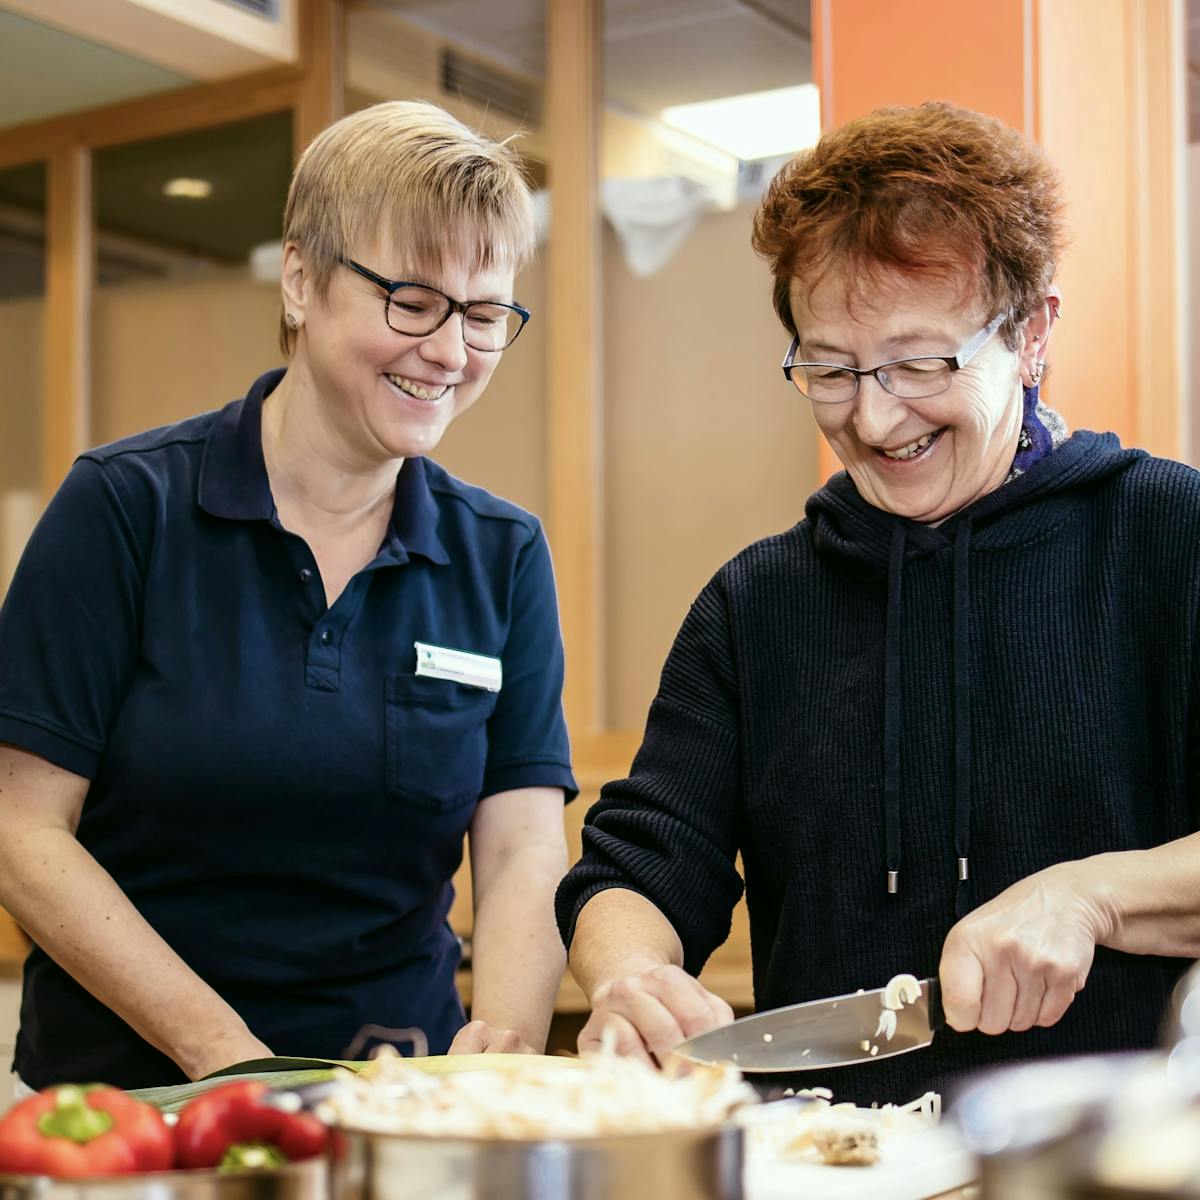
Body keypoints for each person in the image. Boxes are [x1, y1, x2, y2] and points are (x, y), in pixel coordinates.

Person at [556, 100, 1200, 1101]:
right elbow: (639, 867)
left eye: (919, 363)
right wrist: (632, 972)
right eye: (831, 369)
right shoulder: (754, 604)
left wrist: (1096, 899)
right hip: (833, 1159)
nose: (872, 414)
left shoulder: (1170, 534)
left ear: (1031, 334)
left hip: (1113, 1157)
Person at [0, 100, 576, 1091]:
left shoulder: (503, 553)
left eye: (484, 316)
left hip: (398, 1095)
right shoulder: (127, 507)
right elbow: (21, 831)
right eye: (411, 300)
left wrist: (508, 1047)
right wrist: (231, 1063)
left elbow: (523, 842)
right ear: (302, 278)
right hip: (139, 1102)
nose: (449, 351)